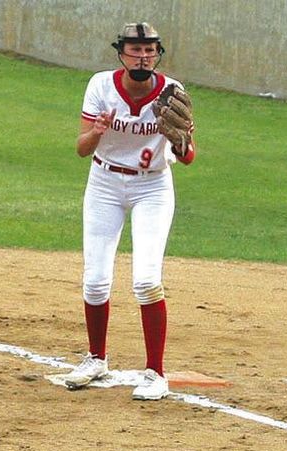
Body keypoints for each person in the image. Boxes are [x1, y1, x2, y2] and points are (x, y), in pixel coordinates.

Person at [66, 21, 196, 400]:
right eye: (135, 49)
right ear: (121, 52)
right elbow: (81, 147)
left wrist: (181, 139)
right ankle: (96, 358)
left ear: (157, 54)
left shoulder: (173, 91)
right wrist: (97, 132)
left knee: (145, 281)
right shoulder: (100, 86)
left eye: (149, 49)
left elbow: (188, 158)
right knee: (94, 281)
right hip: (104, 184)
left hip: (151, 187)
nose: (142, 55)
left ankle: (155, 372)